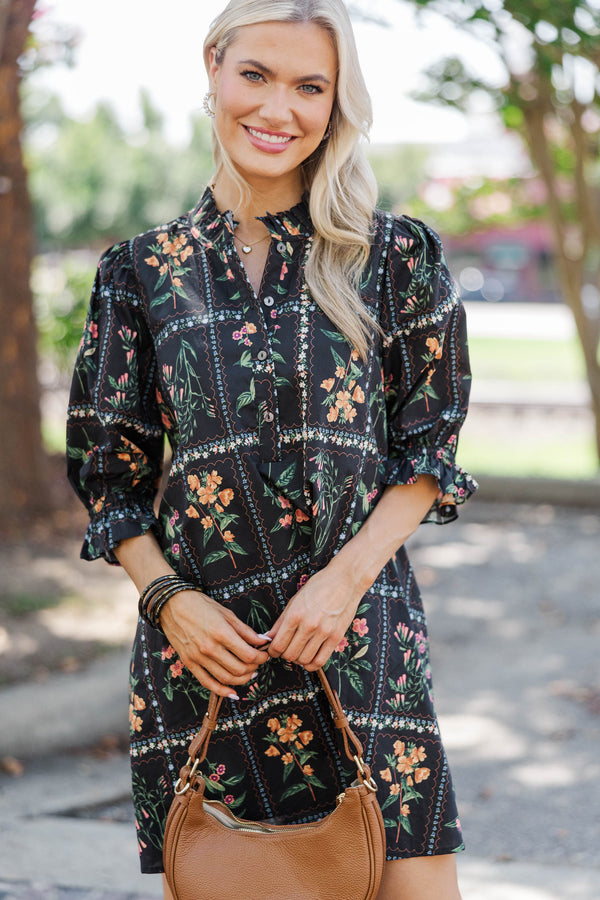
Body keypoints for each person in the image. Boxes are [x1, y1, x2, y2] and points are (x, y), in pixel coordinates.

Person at [66, 1, 477, 897]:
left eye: (309, 87)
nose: (278, 108)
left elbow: (428, 451)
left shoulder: (393, 256)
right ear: (213, 66)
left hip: (359, 640)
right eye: (256, 74)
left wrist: (343, 583)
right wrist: (169, 601)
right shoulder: (139, 272)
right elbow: (110, 479)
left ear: (336, 104)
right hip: (209, 659)